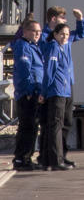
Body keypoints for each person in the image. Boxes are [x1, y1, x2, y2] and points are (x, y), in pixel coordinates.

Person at [39, 20, 80, 170]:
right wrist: (44, 92)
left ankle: (52, 158)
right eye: (62, 34)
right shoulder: (53, 48)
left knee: (60, 124)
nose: (65, 37)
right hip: (56, 90)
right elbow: (49, 71)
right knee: (55, 125)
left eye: (67, 34)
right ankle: (56, 161)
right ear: (55, 34)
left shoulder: (62, 47)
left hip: (64, 89)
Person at [12, 17, 44, 170]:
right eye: (34, 31)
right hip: (28, 93)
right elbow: (25, 71)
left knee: (32, 127)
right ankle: (21, 159)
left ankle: (27, 158)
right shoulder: (23, 46)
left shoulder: (33, 46)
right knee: (27, 127)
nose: (37, 34)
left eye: (39, 31)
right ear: (25, 32)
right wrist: (29, 91)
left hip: (35, 91)